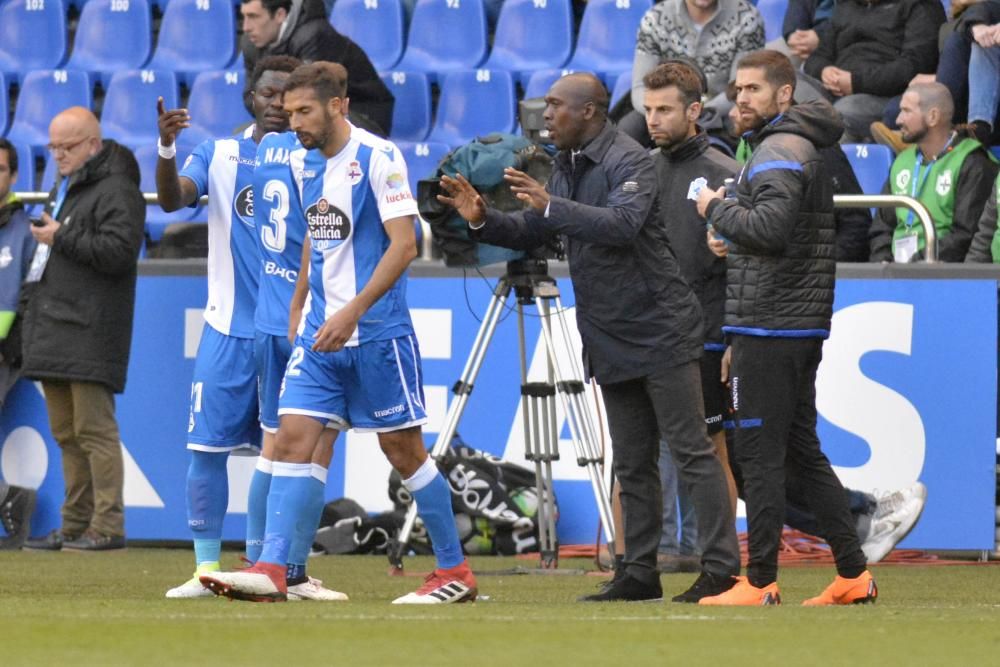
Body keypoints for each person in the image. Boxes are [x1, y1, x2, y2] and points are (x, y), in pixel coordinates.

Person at [439, 72, 741, 604]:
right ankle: (639, 572)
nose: (545, 114)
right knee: (630, 459)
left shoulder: (630, 161)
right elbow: (539, 231)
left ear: (590, 112)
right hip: (609, 332)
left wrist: (550, 206)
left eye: (556, 105)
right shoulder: (568, 164)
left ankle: (721, 570)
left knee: (692, 450)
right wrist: (485, 221)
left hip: (661, 327)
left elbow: (621, 225)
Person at [200, 62, 477, 604]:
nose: (292, 119)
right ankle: (275, 569)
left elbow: (404, 246)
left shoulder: (379, 158)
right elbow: (314, 237)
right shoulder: (304, 163)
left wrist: (351, 311)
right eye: (290, 110)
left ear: (339, 106)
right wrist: (302, 302)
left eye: (304, 110)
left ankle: (455, 572)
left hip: (375, 335)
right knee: (292, 438)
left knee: (404, 451)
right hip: (320, 338)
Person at [696, 50, 876, 605]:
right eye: (737, 89)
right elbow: (776, 234)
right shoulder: (794, 144)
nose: (741, 98)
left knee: (757, 455)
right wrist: (732, 234)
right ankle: (853, 573)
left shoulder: (779, 148)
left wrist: (711, 209)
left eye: (753, 88)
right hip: (787, 322)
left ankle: (760, 581)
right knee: (802, 449)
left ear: (784, 95)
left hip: (771, 325)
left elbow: (770, 230)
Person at [156, 56, 306, 598]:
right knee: (206, 450)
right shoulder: (218, 153)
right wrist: (168, 148)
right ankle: (204, 569)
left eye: (286, 94)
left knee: (286, 452)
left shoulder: (315, 159)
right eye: (267, 92)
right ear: (250, 96)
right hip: (225, 329)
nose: (275, 102)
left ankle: (275, 567)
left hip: (286, 333)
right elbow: (174, 200)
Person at [20, 108, 145, 552]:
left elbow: (119, 252)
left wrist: (61, 237)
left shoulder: (117, 189)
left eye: (67, 147)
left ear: (93, 143)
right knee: (67, 434)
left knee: (94, 432)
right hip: (56, 325)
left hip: (90, 327)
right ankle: (74, 525)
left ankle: (107, 526)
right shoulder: (69, 187)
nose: (58, 156)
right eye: (53, 147)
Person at [246, 96, 346, 600]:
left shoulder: (261, 150)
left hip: (274, 315)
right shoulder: (322, 153)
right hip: (315, 317)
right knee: (315, 447)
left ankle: (258, 562)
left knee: (276, 445)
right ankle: (289, 569)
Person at [643, 62, 740, 572]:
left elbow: (747, 261)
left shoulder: (724, 172)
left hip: (704, 329)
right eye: (648, 109)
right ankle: (659, 552)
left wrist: (732, 337)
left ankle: (717, 554)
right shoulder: (641, 170)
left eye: (665, 110)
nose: (653, 119)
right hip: (651, 332)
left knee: (710, 447)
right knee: (648, 448)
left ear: (695, 111)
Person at [870, 82, 997, 263]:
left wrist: (917, 264)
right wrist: (883, 264)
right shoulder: (902, 161)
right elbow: (881, 228)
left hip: (943, 276)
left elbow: (965, 235)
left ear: (933, 117)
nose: (898, 120)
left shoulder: (972, 163)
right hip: (895, 276)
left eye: (907, 111)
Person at [618, 0, 765, 145]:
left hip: (719, 109)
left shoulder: (746, 18)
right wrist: (664, 113)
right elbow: (639, 87)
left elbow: (738, 89)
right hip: (663, 105)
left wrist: (692, 114)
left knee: (735, 130)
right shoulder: (655, 18)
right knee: (627, 131)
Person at [240, 0, 394, 136]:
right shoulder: (251, 43)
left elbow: (309, 96)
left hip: (359, 113)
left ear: (280, 15)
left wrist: (271, 101)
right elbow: (250, 95)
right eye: (244, 16)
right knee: (247, 135)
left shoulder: (315, 35)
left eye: (254, 16)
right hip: (305, 112)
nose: (246, 27)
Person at [799, 0, 945, 143]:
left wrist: (856, 82)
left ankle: (826, 165)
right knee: (789, 84)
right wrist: (824, 70)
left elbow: (914, 67)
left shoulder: (921, 5)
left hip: (886, 95)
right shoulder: (846, 4)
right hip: (833, 89)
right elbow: (818, 55)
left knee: (843, 112)